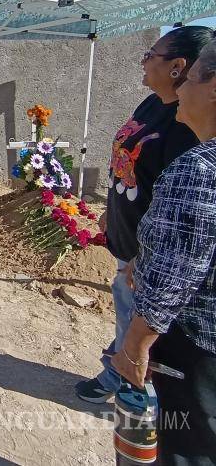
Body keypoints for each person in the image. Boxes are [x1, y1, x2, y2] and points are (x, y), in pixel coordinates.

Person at [75, 26, 213, 403]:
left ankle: (132, 392)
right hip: (127, 238)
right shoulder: (153, 104)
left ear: (177, 66)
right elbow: (129, 165)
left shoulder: (187, 130)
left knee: (138, 324)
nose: (143, 60)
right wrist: (110, 207)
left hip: (145, 257)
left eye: (151, 54)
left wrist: (145, 257)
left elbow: (183, 219)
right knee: (126, 316)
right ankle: (115, 374)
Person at [112, 36, 216, 465]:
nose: (182, 93)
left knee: (182, 445)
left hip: (192, 343)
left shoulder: (198, 168)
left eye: (190, 79)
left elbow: (177, 274)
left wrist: (135, 347)